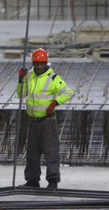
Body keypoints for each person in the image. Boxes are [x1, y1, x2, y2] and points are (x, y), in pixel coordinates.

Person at [16, 48, 74, 189]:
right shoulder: (30, 76)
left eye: (42, 63)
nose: (39, 66)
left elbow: (68, 92)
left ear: (46, 63)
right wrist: (20, 80)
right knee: (33, 153)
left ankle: (53, 181)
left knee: (51, 151)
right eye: (37, 63)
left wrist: (54, 103)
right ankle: (32, 180)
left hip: (47, 121)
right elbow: (21, 94)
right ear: (33, 63)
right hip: (33, 121)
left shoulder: (53, 78)